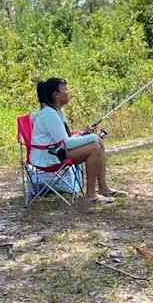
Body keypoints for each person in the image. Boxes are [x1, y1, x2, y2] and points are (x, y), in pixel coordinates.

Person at [30, 77, 123, 207]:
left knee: (98, 143)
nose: (68, 92)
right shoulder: (49, 114)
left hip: (55, 151)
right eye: (65, 90)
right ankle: (90, 195)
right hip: (48, 157)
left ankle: (103, 188)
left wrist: (83, 134)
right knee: (95, 146)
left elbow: (62, 139)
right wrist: (93, 137)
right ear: (56, 95)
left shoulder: (56, 112)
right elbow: (66, 143)